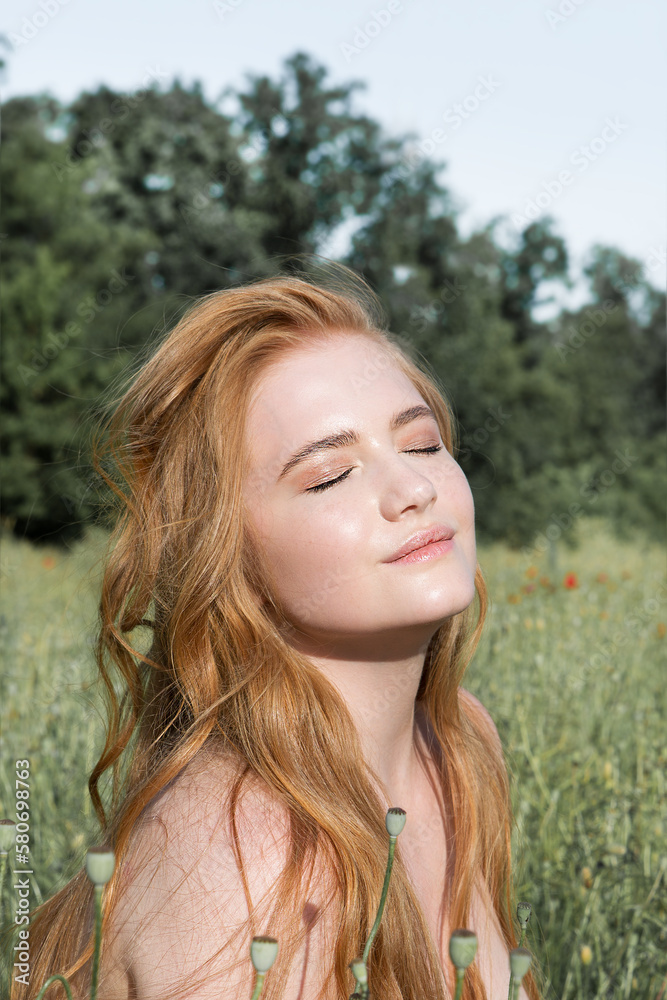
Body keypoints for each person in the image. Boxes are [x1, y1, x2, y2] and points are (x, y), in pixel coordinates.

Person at [16, 262, 538, 1000]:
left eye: (420, 445)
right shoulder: (238, 861)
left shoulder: (458, 745)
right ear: (224, 553)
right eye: (330, 475)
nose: (415, 489)